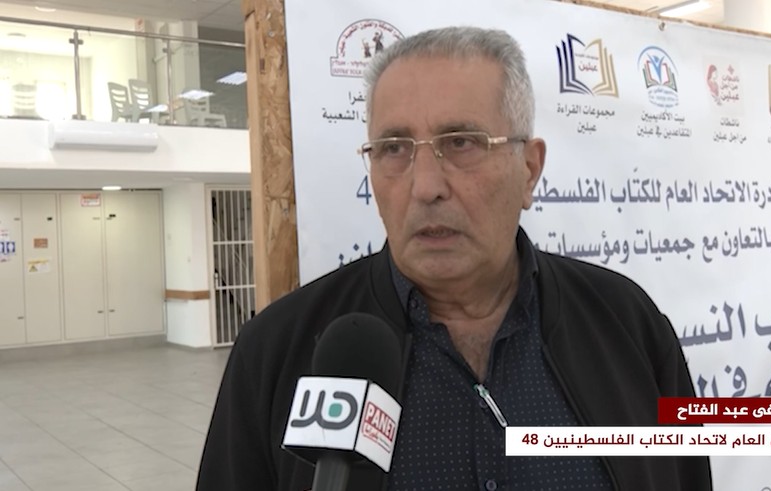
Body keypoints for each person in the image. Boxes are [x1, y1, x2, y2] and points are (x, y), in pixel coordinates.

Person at [196, 26, 713, 491]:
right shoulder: (276, 351)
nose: (425, 186)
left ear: (529, 169)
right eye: (394, 148)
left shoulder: (627, 324)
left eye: (461, 142)